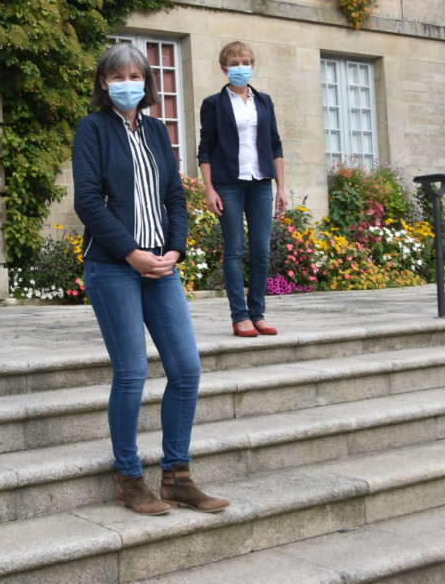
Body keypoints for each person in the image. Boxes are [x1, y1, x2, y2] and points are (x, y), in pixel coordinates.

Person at [72, 43, 230, 516]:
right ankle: (128, 477)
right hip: (112, 266)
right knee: (132, 373)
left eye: (136, 76)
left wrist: (174, 249)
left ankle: (177, 477)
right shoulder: (93, 128)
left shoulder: (158, 131)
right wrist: (132, 253)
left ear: (146, 82)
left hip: (162, 267)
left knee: (186, 369)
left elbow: (174, 196)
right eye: (118, 76)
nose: (128, 84)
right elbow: (88, 201)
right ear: (104, 83)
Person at [197, 41, 288, 338]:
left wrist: (281, 188)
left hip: (260, 183)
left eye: (245, 62)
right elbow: (205, 149)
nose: (241, 67)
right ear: (224, 68)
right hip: (228, 184)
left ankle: (257, 313)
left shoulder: (264, 101)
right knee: (234, 249)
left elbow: (275, 145)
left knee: (261, 250)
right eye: (235, 63)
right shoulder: (213, 104)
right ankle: (240, 316)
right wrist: (209, 189)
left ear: (252, 65)